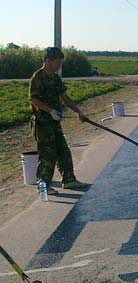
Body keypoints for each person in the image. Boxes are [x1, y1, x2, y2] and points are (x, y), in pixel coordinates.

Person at [29, 47, 90, 195]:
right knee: (47, 155)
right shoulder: (38, 78)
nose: (60, 65)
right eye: (58, 62)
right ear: (48, 61)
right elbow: (33, 99)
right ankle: (43, 185)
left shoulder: (55, 78)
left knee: (63, 151)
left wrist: (79, 112)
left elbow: (65, 97)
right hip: (43, 124)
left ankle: (69, 180)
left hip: (54, 123)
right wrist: (50, 111)